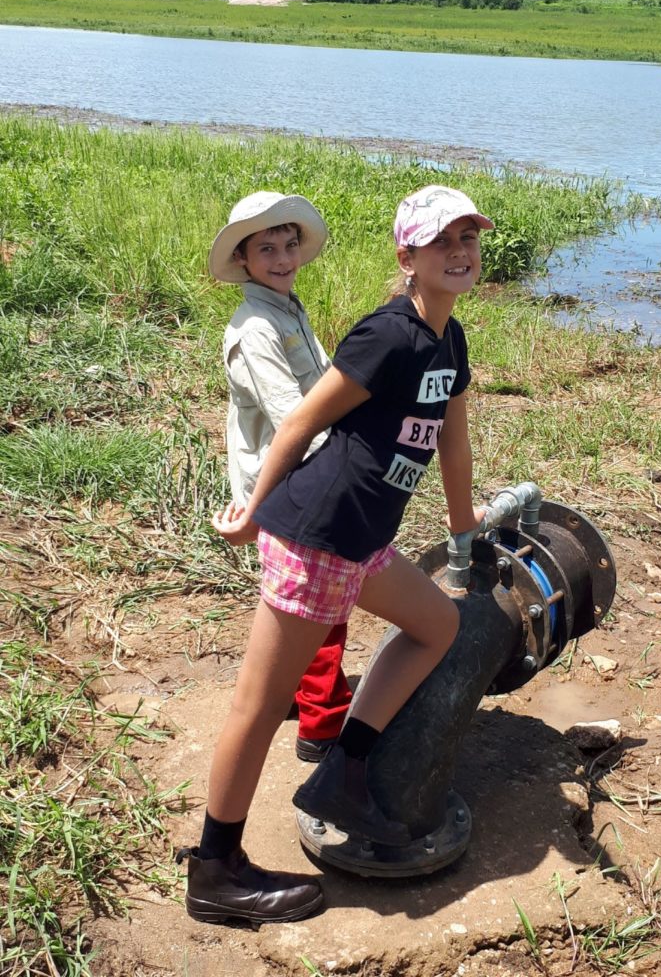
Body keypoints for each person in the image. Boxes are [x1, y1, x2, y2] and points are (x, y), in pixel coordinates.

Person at [177, 184, 493, 926]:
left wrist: (462, 525)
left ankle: (343, 772)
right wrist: (252, 514)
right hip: (316, 535)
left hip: (364, 539)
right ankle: (214, 870)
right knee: (257, 710)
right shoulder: (386, 333)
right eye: (442, 241)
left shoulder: (449, 340)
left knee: (436, 627)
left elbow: (451, 438)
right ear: (405, 256)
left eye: (469, 240)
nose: (459, 252)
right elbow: (297, 426)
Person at [209, 190, 352, 763]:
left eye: (289, 244)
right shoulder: (255, 328)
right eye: (266, 248)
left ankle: (292, 693)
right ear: (243, 259)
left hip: (300, 473)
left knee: (295, 600)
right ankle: (322, 725)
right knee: (319, 600)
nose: (283, 256)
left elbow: (318, 390)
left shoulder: (286, 308)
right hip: (287, 482)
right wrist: (342, 464)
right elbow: (292, 417)